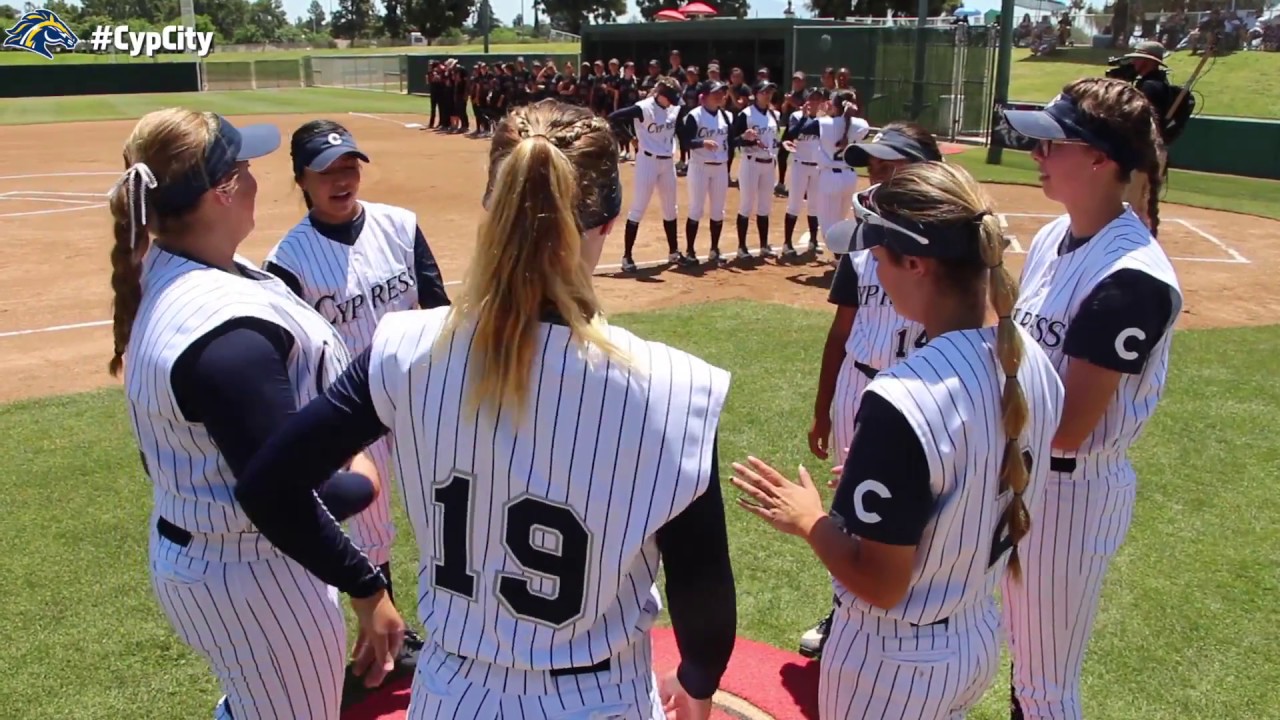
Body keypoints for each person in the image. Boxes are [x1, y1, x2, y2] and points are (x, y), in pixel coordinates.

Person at [239, 98, 738, 720]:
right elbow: (704, 593)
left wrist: (364, 584)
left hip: (454, 693)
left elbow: (266, 485)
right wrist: (696, 681)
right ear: (608, 220)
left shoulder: (402, 348)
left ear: (491, 210)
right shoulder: (676, 388)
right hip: (599, 696)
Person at [732, 162, 1064, 720]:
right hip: (974, 636)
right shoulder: (1029, 363)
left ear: (916, 263)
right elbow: (974, 478)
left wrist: (808, 518)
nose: (875, 274)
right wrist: (888, 482)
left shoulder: (902, 397)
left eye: (879, 258)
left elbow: (880, 583)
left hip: (892, 663)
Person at [109, 108, 402, 719]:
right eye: (244, 168)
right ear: (221, 191)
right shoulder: (227, 337)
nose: (254, 180)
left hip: (213, 556)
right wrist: (366, 563)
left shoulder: (174, 269)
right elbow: (279, 494)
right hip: (254, 576)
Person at [1000, 77, 1183, 720]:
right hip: (1019, 477)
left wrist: (955, 435)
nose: (1037, 154)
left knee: (1046, 687)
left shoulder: (1132, 278)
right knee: (1000, 652)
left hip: (1070, 495)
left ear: (1101, 161)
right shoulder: (1054, 237)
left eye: (1054, 145)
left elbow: (1068, 427)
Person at [262, 119, 452, 698]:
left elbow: (438, 305)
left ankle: (448, 619)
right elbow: (290, 353)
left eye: (349, 166)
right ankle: (386, 634)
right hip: (350, 405)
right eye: (327, 171)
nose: (342, 179)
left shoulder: (400, 225)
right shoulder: (287, 260)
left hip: (419, 391)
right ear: (302, 179)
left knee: (443, 505)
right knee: (369, 527)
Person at [796, 122, 945, 659]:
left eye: (889, 167)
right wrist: (821, 411)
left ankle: (907, 616)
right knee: (848, 514)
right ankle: (845, 611)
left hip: (922, 395)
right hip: (859, 389)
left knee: (913, 520)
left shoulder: (948, 249)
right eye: (873, 169)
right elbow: (840, 332)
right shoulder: (860, 247)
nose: (875, 178)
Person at [608, 76, 683, 272]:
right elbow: (613, 118)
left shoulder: (673, 108)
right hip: (647, 161)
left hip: (668, 162)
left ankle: (674, 252)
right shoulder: (644, 107)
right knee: (638, 208)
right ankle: (627, 257)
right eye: (670, 99)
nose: (672, 104)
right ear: (661, 95)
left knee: (670, 208)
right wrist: (630, 138)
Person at [789, 90, 871, 247]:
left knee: (828, 229)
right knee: (841, 222)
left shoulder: (824, 122)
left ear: (835, 105)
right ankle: (843, 258)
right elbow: (860, 132)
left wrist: (815, 114)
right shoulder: (861, 124)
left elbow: (803, 130)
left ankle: (843, 259)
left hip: (830, 178)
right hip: (849, 177)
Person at [678, 80, 734, 267]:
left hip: (720, 168)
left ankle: (714, 250)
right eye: (715, 92)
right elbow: (686, 142)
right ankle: (690, 251)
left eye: (721, 92)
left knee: (718, 210)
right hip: (700, 166)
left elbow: (731, 142)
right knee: (696, 209)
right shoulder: (695, 116)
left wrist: (746, 137)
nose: (719, 95)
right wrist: (702, 143)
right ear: (704, 96)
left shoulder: (727, 116)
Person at [731, 81, 782, 261]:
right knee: (746, 205)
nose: (767, 95)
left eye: (770, 92)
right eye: (764, 92)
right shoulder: (746, 114)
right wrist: (747, 139)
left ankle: (763, 246)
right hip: (751, 163)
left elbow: (774, 140)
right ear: (756, 94)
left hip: (769, 164)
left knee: (765, 206)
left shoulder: (774, 114)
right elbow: (734, 140)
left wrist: (783, 145)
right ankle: (742, 247)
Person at [780, 89, 824, 256]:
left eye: (818, 99)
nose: (814, 102)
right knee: (794, 204)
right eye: (811, 99)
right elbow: (791, 134)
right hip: (800, 165)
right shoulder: (796, 116)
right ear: (806, 101)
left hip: (817, 167)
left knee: (814, 206)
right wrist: (805, 117)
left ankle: (813, 241)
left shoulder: (824, 120)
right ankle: (787, 243)